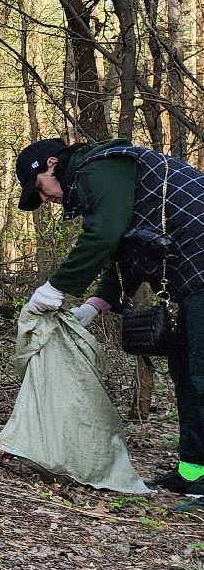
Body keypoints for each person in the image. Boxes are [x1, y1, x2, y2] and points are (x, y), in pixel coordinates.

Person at [14, 136, 204, 501]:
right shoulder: (99, 183)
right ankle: (192, 471)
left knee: (201, 373)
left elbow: (104, 235)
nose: (47, 199)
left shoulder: (102, 167)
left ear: (52, 164)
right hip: (193, 277)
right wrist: (96, 304)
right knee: (185, 369)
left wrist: (57, 287)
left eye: (40, 189)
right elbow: (126, 251)